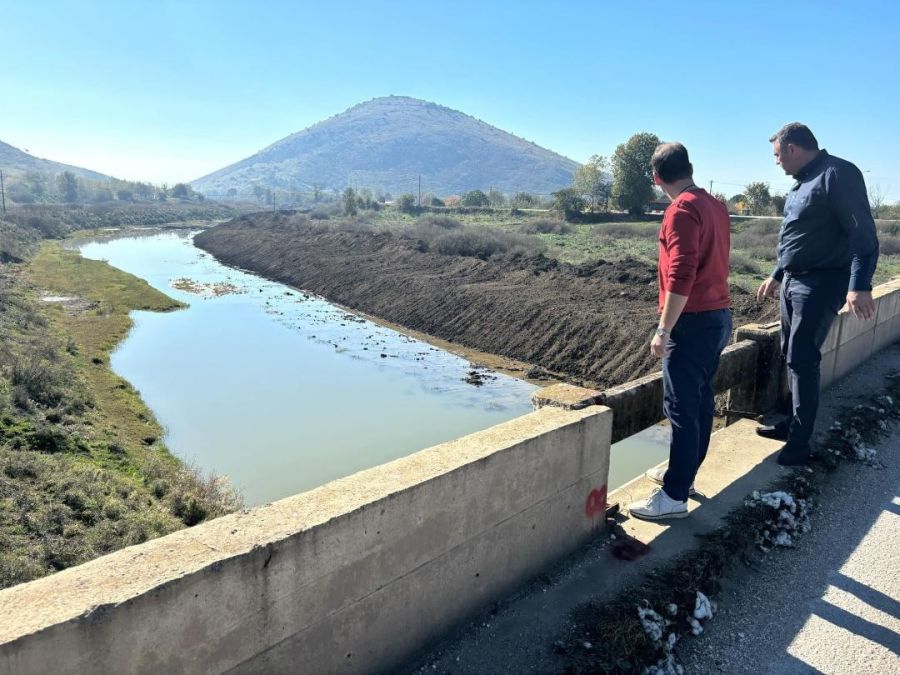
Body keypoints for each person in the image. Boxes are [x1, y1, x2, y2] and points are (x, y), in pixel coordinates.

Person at [756, 123, 879, 465]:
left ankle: (800, 443)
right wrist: (777, 274)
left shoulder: (837, 174)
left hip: (821, 284)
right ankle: (791, 423)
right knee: (791, 354)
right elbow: (799, 238)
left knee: (802, 357)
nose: (777, 162)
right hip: (793, 282)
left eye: (778, 155)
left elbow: (863, 236)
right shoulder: (801, 184)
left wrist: (859, 285)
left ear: (793, 149)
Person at [628, 143, 732, 521]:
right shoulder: (714, 204)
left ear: (657, 179)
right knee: (700, 401)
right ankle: (683, 476)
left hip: (691, 323)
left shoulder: (681, 210)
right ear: (689, 167)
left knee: (681, 408)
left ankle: (674, 497)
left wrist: (663, 328)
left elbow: (681, 274)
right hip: (718, 315)